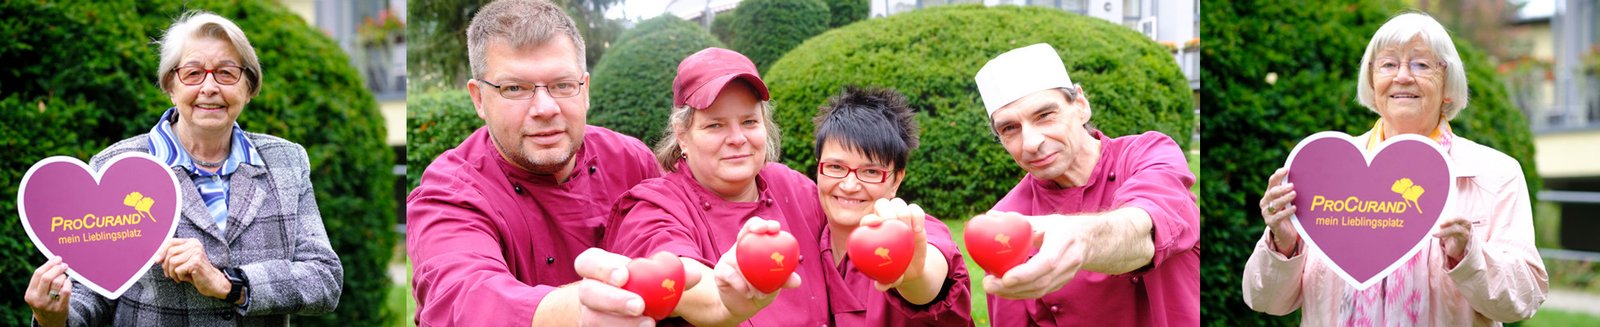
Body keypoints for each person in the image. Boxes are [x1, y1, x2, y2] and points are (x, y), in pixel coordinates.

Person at [22, 11, 343, 326]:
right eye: (193, 73)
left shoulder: (285, 160)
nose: (209, 87)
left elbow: (325, 278)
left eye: (226, 73)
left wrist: (230, 284)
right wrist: (55, 318)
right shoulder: (114, 167)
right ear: (170, 85)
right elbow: (92, 291)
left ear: (249, 87)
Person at [1243, 12, 1548, 326]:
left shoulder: (1495, 174)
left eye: (1421, 64)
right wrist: (1283, 243)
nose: (1402, 76)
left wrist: (1469, 256)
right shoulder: (1327, 171)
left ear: (1448, 84)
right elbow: (1266, 300)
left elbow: (1521, 302)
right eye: (1388, 64)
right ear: (1372, 82)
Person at [404, 0, 669, 326]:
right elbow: (462, 298)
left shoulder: (632, 161)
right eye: (515, 88)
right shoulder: (449, 194)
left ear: (584, 90)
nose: (545, 108)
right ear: (479, 99)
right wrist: (587, 310)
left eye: (562, 85)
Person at [602, 47, 844, 326]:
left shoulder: (794, 188)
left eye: (749, 121)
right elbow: (679, 279)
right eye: (715, 125)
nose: (737, 138)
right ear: (682, 135)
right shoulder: (652, 207)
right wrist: (728, 295)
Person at [969, 43, 1201, 326]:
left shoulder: (1148, 153)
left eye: (1044, 115)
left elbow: (1149, 227)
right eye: (1009, 129)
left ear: (1080, 105)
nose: (1031, 143)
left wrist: (1082, 241)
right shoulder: (1009, 220)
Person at [812, 86, 974, 325]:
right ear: (818, 167)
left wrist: (912, 278)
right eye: (836, 167)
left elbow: (928, 276)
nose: (849, 185)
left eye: (870, 171)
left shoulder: (912, 230)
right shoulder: (812, 242)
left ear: (896, 179)